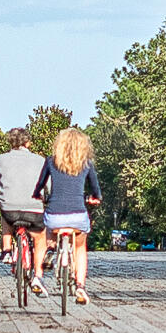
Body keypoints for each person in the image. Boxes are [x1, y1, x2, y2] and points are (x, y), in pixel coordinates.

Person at [36, 125, 102, 303]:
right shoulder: (87, 164)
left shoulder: (51, 162)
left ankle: (50, 250)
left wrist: (37, 195)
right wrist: (95, 198)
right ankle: (80, 286)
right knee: (80, 248)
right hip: (78, 215)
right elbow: (96, 189)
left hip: (54, 215)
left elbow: (40, 184)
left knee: (48, 233)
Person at [0, 128, 48, 284]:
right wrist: (47, 200)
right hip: (34, 209)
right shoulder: (41, 160)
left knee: (5, 214)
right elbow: (48, 186)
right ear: (28, 143)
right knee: (40, 237)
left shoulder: (1, 159)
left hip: (10, 210)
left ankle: (6, 250)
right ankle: (38, 276)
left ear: (10, 142)